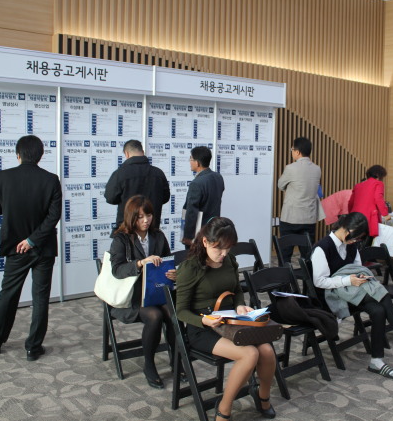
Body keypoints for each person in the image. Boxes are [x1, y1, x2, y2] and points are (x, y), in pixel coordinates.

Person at [175, 217, 277, 420]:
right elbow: (180, 311)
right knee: (249, 354)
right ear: (205, 242)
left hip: (230, 321)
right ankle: (224, 407)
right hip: (202, 328)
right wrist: (204, 320)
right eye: (218, 249)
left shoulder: (229, 260)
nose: (223, 254)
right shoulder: (190, 268)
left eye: (227, 249)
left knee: (266, 350)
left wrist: (239, 304)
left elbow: (237, 289)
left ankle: (262, 397)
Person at [311, 213, 393, 379]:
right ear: (348, 231)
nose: (356, 242)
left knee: (378, 310)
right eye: (356, 238)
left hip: (352, 291)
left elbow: (357, 267)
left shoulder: (350, 245)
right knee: (380, 294)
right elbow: (319, 282)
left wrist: (358, 278)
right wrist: (348, 280)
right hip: (331, 296)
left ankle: (377, 360)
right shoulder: (322, 248)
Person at [0, 135, 62, 361]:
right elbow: (53, 216)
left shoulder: (3, 177)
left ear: (18, 155)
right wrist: (33, 240)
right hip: (43, 248)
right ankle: (33, 347)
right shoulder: (51, 180)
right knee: (40, 298)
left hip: (14, 248)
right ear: (41, 155)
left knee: (7, 295)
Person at [109, 195, 177, 389]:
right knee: (155, 316)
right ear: (131, 218)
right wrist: (139, 263)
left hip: (155, 292)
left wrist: (173, 274)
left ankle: (176, 359)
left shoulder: (158, 236)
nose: (146, 220)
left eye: (148, 215)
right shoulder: (120, 239)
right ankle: (149, 364)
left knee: (173, 313)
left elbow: (167, 262)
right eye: (140, 217)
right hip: (132, 298)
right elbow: (117, 270)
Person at [105, 139, 170, 232]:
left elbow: (110, 198)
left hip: (127, 228)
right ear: (143, 152)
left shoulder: (120, 174)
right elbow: (165, 198)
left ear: (126, 153)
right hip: (151, 228)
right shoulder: (158, 173)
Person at [277, 137, 322, 263]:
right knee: (308, 255)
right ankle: (309, 281)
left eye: (292, 149)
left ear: (297, 152)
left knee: (285, 254)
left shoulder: (290, 168)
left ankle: (285, 281)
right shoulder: (317, 169)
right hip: (309, 217)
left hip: (290, 217)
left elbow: (280, 185)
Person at [181, 146, 225, 247]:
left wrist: (188, 236)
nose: (190, 161)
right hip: (214, 229)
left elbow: (191, 212)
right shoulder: (218, 177)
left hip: (199, 233)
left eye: (191, 159)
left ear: (197, 163)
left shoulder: (196, 183)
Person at [348, 165, 390, 238]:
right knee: (369, 242)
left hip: (356, 218)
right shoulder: (378, 183)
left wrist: (352, 214)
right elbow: (378, 198)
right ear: (378, 175)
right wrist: (385, 214)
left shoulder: (358, 186)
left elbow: (350, 202)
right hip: (369, 218)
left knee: (357, 241)